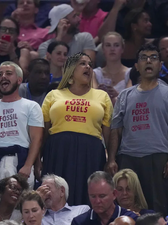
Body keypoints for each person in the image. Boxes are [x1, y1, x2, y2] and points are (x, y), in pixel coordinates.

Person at [106, 44, 168, 216]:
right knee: (127, 208)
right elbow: (116, 130)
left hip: (158, 158)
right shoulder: (124, 95)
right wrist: (111, 159)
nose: (148, 61)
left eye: (153, 57)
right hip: (128, 158)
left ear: (160, 64)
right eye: (144, 57)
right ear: (137, 66)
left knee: (156, 209)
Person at [41, 52, 113, 206]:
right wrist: (37, 161)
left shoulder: (102, 96)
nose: (88, 67)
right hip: (58, 150)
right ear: (71, 69)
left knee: (86, 196)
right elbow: (43, 132)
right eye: (82, 63)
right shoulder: (53, 95)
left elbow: (109, 134)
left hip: (91, 151)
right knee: (55, 196)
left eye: (90, 64)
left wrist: (111, 159)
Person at [0, 61, 44, 208]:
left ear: (19, 80)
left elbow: (36, 139)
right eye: (0, 74)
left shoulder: (31, 106)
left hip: (20, 163)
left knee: (19, 213)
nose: (3, 77)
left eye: (9, 73)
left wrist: (28, 166)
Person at [72, 171, 138, 224]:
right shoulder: (79, 222)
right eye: (93, 196)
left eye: (102, 196)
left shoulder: (131, 219)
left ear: (114, 194)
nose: (97, 201)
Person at [97, 0, 168, 41]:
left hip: (159, 51)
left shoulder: (157, 4)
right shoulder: (119, 11)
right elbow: (103, 38)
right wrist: (115, 8)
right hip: (127, 55)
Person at [0, 17, 31, 81]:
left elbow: (23, 76)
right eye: (3, 29)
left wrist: (12, 53)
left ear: (16, 35)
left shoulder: (23, 52)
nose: (7, 32)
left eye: (11, 31)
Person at [92, 32, 132, 106]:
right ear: (103, 49)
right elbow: (93, 99)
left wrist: (117, 95)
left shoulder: (131, 73)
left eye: (116, 45)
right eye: (108, 45)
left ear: (122, 49)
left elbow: (130, 100)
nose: (112, 49)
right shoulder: (94, 73)